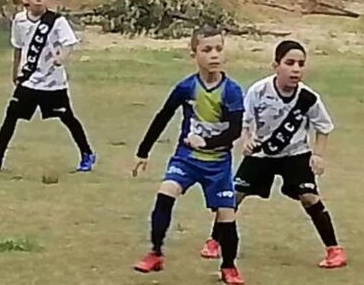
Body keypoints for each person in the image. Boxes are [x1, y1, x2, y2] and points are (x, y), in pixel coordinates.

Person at [199, 40, 347, 269]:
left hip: (296, 155)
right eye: (290, 63)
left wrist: (318, 155)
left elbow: (323, 127)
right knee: (233, 196)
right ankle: (214, 240)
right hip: (261, 155)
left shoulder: (308, 98)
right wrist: (247, 140)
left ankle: (334, 249)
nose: (296, 69)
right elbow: (244, 121)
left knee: (309, 197)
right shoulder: (259, 91)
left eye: (301, 64)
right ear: (276, 65)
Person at [132, 26, 246, 284]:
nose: (214, 55)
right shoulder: (186, 87)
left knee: (226, 215)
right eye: (207, 50)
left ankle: (229, 267)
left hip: (218, 164)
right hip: (187, 158)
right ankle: (155, 253)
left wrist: (206, 142)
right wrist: (143, 151)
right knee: (165, 193)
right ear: (194, 54)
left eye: (219, 49)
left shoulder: (231, 91)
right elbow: (163, 116)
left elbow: (235, 130)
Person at [0, 0, 96, 172]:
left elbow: (68, 43)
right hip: (29, 81)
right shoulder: (20, 20)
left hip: (53, 83)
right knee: (11, 115)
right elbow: (18, 47)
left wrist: (61, 58)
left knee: (67, 118)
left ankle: (87, 153)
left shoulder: (56, 21)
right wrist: (15, 71)